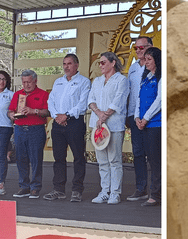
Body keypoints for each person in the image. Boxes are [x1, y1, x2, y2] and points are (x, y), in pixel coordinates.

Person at [44, 54, 91, 203]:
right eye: (64, 63)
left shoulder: (84, 82)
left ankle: (77, 190)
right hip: (58, 123)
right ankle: (58, 189)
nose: (66, 66)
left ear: (76, 65)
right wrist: (57, 116)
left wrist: (67, 115)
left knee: (78, 157)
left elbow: (83, 104)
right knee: (58, 158)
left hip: (74, 123)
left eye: (69, 63)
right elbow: (50, 101)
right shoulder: (58, 82)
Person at [87, 52, 130, 204]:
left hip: (114, 125)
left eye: (104, 62)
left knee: (114, 160)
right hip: (98, 125)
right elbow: (91, 99)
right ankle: (104, 191)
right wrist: (99, 114)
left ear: (113, 63)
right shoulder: (97, 81)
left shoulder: (121, 80)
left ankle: (115, 192)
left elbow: (118, 100)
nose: (100, 65)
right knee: (102, 161)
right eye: (99, 63)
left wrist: (104, 116)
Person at [7, 70, 49, 199]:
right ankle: (24, 186)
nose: (26, 85)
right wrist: (12, 115)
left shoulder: (43, 94)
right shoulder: (17, 94)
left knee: (36, 159)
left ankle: (35, 187)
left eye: (29, 82)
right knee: (21, 159)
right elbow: (9, 111)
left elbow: (48, 112)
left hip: (36, 129)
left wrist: (33, 111)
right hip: (20, 129)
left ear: (35, 81)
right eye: (24, 82)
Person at [126, 36, 153, 202]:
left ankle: (157, 190)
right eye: (136, 48)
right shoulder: (133, 68)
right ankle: (141, 188)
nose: (138, 51)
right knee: (137, 153)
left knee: (154, 154)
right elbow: (130, 92)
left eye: (141, 48)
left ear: (150, 47)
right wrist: (129, 115)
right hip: (134, 117)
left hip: (152, 117)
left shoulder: (157, 65)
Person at [135, 47, 162, 207]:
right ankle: (155, 192)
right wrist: (138, 117)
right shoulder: (146, 78)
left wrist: (145, 118)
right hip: (144, 124)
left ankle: (156, 195)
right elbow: (139, 99)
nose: (145, 62)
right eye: (144, 59)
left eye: (149, 59)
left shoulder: (161, 77)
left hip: (155, 123)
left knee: (156, 161)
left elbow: (159, 100)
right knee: (150, 159)